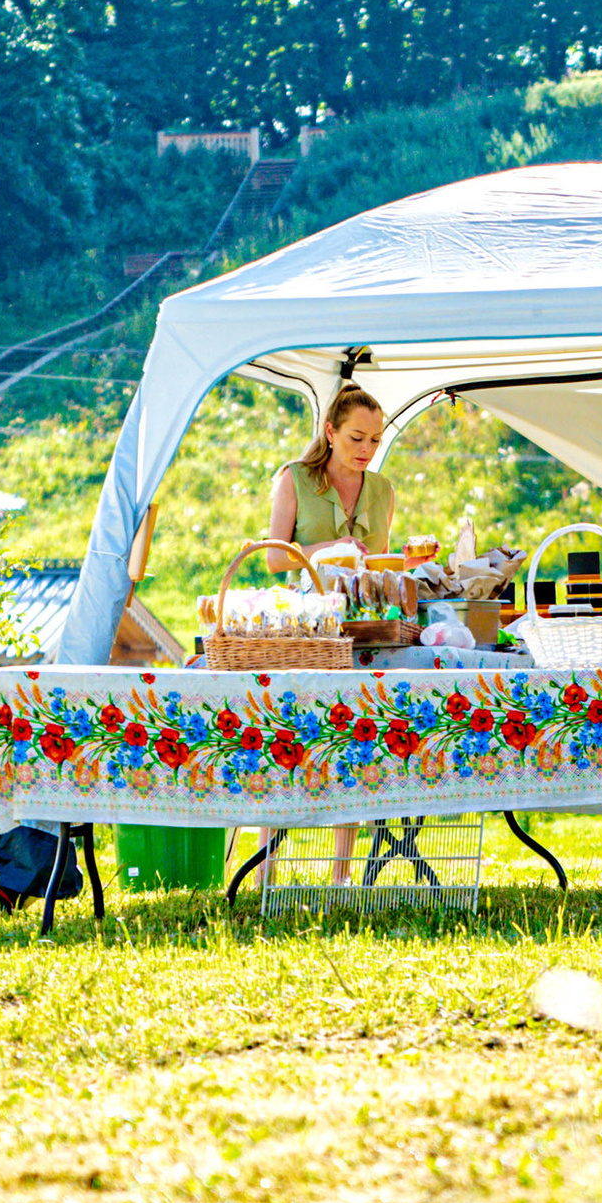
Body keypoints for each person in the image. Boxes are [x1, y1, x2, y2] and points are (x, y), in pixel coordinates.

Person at [262, 380, 397, 890]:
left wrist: (407, 563)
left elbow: (378, 566)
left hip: (363, 628)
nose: (366, 450)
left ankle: (341, 876)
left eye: (374, 441)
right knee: (286, 742)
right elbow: (274, 558)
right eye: (356, 438)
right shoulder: (295, 479)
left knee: (353, 742)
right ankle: (268, 872)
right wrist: (326, 548)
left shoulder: (382, 490)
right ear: (331, 432)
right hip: (306, 630)